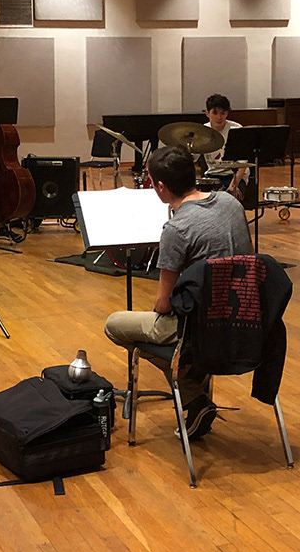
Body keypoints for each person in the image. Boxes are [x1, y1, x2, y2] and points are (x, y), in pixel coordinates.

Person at [104, 145, 252, 439]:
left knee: (115, 325)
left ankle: (193, 395)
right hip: (249, 321)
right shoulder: (230, 203)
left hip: (202, 328)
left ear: (161, 187)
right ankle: (194, 391)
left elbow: (162, 304)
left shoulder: (177, 228)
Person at [201, 94, 249, 198]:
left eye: (222, 113)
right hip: (212, 175)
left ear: (227, 113)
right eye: (215, 113)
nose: (219, 117)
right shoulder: (202, 131)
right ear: (207, 113)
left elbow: (243, 164)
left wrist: (233, 185)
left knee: (229, 199)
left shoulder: (237, 130)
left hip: (234, 176)